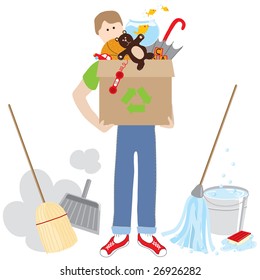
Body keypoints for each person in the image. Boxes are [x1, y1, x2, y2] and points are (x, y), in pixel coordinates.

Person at [73, 10, 173, 257]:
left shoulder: (148, 58)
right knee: (124, 177)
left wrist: (168, 115)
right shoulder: (101, 65)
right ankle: (120, 233)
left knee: (149, 176)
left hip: (148, 126)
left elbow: (160, 84)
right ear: (98, 35)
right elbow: (78, 95)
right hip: (124, 128)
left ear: (124, 30)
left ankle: (147, 233)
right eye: (106, 30)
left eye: (116, 28)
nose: (113, 33)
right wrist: (99, 123)